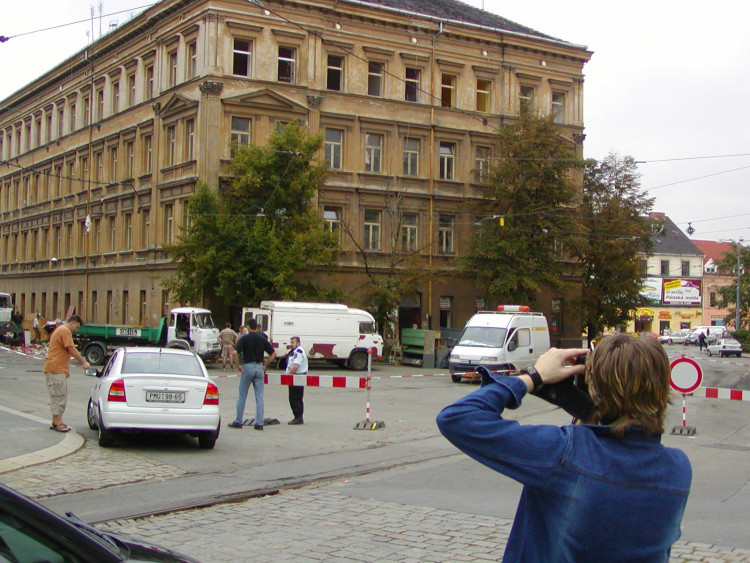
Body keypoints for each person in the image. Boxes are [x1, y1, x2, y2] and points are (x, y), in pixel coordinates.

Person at [436, 334, 692, 563]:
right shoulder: (678, 469)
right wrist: (590, 414)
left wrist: (533, 376)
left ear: (596, 388)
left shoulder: (565, 453)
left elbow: (457, 418)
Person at [42, 315, 91, 433]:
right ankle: (58, 422)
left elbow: (63, 351)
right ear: (73, 323)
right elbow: (71, 349)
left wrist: (65, 369)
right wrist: (83, 362)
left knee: (56, 394)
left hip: (56, 368)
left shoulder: (60, 329)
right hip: (55, 368)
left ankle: (55, 421)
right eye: (77, 327)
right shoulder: (65, 330)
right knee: (59, 395)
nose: (76, 330)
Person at [228, 318, 275, 431]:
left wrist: (238, 365)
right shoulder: (262, 338)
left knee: (242, 395)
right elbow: (273, 353)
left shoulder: (244, 338)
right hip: (259, 367)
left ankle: (238, 421)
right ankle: (259, 423)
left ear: (248, 327)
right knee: (259, 396)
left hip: (248, 366)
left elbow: (234, 352)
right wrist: (265, 365)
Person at [285, 336, 308, 425]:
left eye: (293, 342)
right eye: (290, 342)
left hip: (296, 377)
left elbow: (296, 366)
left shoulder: (298, 352)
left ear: (298, 343)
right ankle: (298, 416)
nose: (291, 344)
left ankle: (298, 417)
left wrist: (289, 375)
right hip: (296, 376)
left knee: (295, 397)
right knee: (296, 397)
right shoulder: (295, 351)